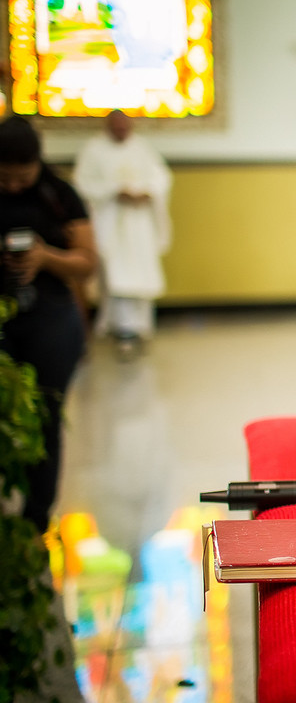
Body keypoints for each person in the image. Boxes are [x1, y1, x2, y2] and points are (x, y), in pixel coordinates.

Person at [0, 115, 98, 532]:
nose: (14, 187)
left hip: (50, 319)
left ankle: (36, 517)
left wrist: (44, 257)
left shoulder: (59, 196)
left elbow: (87, 263)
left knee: (46, 414)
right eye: (5, 179)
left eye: (22, 178)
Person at [74, 110, 172, 358]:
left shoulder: (141, 147)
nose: (121, 131)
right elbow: (82, 183)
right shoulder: (94, 149)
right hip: (111, 220)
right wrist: (114, 191)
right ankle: (123, 329)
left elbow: (161, 177)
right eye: (116, 127)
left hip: (138, 222)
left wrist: (147, 192)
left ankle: (141, 326)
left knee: (141, 269)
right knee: (118, 274)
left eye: (125, 127)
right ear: (108, 126)